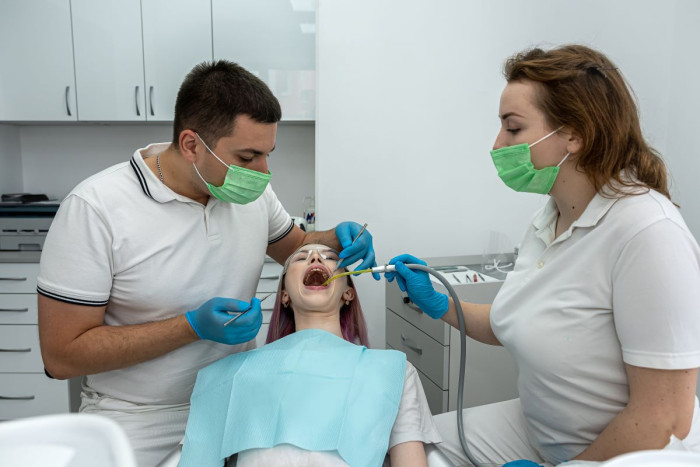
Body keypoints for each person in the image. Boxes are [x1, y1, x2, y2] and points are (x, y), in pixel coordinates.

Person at [36, 60, 377, 466]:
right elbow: (61, 356)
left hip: (239, 398)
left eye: (268, 154)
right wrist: (191, 327)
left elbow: (297, 245)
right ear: (191, 144)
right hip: (138, 416)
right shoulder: (95, 210)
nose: (263, 173)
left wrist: (338, 237)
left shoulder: (249, 196)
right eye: (248, 156)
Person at [386, 44, 700, 466]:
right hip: (540, 431)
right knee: (410, 448)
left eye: (512, 129)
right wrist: (441, 303)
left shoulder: (647, 234)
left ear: (574, 134)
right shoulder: (549, 217)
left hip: (632, 451)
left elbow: (664, 418)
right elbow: (514, 322)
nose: (498, 144)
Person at [179, 244, 442, 466]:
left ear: (348, 293)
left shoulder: (392, 371)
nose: (316, 258)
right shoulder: (232, 374)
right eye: (301, 258)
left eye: (329, 258)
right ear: (284, 295)